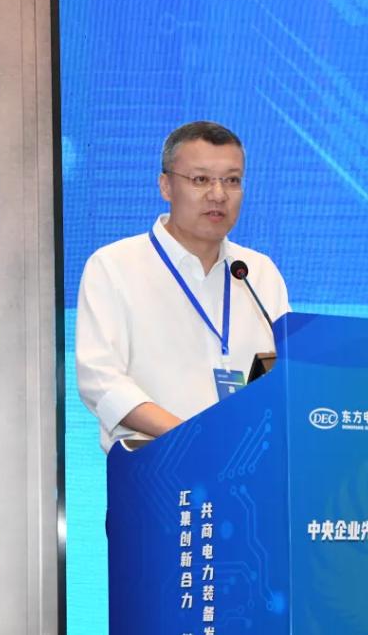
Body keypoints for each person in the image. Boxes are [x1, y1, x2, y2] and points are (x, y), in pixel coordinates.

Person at [76, 121, 290, 453]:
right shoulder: (114, 266)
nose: (218, 194)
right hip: (157, 466)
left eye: (232, 180)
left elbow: (285, 373)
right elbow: (100, 380)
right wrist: (192, 437)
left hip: (250, 467)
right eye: (201, 179)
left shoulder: (258, 272)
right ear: (166, 186)